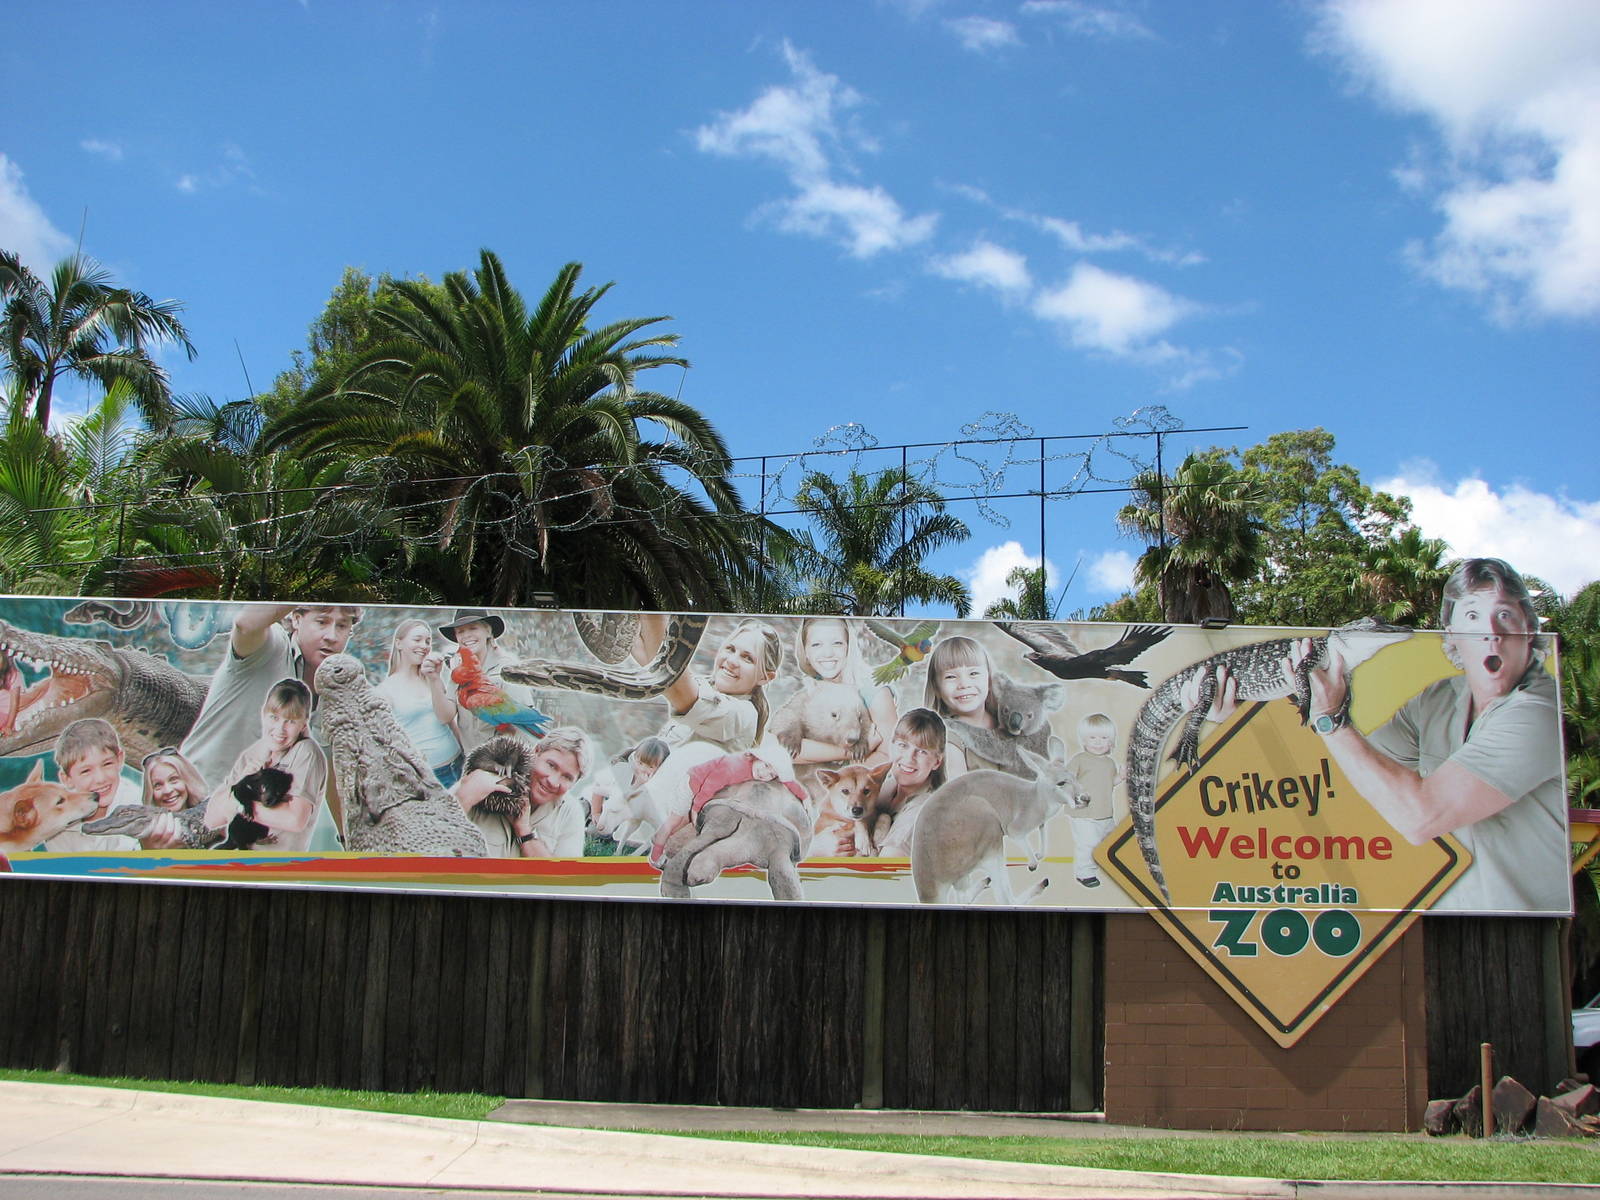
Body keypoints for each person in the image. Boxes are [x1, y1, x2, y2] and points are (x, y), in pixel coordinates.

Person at [1295, 558, 1566, 913]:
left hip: (1521, 926)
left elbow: (1421, 818)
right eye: (1471, 616)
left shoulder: (1537, 712)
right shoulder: (1439, 699)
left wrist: (1331, 719)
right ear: (1451, 634)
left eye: (1504, 615)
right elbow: (1354, 777)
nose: (1491, 633)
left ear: (1529, 629)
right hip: (1439, 919)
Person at [179, 604, 360, 847]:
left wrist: (347, 838)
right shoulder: (270, 646)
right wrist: (304, 583)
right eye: (322, 622)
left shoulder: (333, 693)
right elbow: (245, 624)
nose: (332, 636)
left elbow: (332, 770)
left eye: (342, 625)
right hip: (193, 808)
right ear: (296, 619)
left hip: (253, 834)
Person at [201, 678, 329, 854]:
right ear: (263, 714)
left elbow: (295, 820)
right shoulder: (254, 753)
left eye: (290, 721)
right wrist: (241, 783)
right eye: (274, 717)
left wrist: (239, 805)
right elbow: (212, 818)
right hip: (239, 861)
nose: (280, 729)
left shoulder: (306, 753)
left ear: (304, 723)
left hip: (276, 868)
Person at [633, 615, 784, 753]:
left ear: (765, 677)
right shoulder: (702, 684)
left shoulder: (745, 715)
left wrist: (652, 610)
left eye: (747, 658)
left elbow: (669, 678)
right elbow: (653, 662)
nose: (731, 661)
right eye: (730, 649)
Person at [458, 728, 591, 858]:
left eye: (567, 777)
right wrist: (467, 795)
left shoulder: (570, 813)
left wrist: (524, 832)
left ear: (575, 783)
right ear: (536, 751)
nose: (553, 781)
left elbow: (563, 878)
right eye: (551, 765)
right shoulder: (483, 778)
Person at [788, 617, 898, 766]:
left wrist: (841, 782)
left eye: (837, 643)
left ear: (849, 647)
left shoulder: (873, 689)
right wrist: (845, 754)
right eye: (816, 644)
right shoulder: (813, 688)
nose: (827, 653)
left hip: (856, 784)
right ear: (805, 652)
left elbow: (889, 754)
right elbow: (784, 751)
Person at [375, 618, 462, 786]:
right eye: (417, 639)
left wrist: (466, 753)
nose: (424, 645)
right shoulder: (384, 691)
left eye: (427, 641)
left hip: (458, 762)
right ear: (399, 644)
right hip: (428, 776)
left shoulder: (431, 677)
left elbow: (449, 721)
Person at [42, 718, 141, 852]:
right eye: (85, 771)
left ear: (120, 759)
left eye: (107, 764)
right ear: (66, 779)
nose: (100, 779)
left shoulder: (139, 805)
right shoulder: (58, 827)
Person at [872, 708, 949, 858]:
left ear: (937, 761)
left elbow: (886, 871)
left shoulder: (924, 811)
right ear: (892, 745)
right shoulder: (884, 786)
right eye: (903, 745)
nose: (909, 758)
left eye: (922, 751)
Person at [1064, 713, 1120, 889]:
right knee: (1088, 843)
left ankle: (1103, 868)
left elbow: (1110, 783)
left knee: (1109, 841)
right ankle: (1085, 873)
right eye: (1092, 737)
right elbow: (1067, 778)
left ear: (1111, 741)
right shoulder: (1080, 759)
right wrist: (1071, 795)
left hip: (1104, 813)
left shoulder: (1110, 763)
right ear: (1084, 740)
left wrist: (1122, 776)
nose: (1098, 742)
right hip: (1084, 814)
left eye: (1104, 738)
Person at [139, 749, 208, 813]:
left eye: (173, 780)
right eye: (158, 785)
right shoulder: (143, 824)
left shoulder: (210, 815)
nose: (167, 790)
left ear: (188, 780)